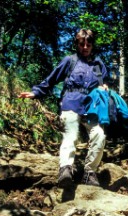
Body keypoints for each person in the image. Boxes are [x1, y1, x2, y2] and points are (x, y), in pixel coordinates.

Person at [18, 29, 108, 188]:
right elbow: (51, 79)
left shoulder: (98, 65)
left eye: (88, 44)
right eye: (82, 44)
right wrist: (36, 92)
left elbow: (103, 83)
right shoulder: (69, 60)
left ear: (92, 45)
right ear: (77, 44)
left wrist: (105, 87)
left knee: (99, 135)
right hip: (71, 102)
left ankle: (89, 173)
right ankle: (65, 170)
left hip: (91, 106)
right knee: (71, 134)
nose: (85, 47)